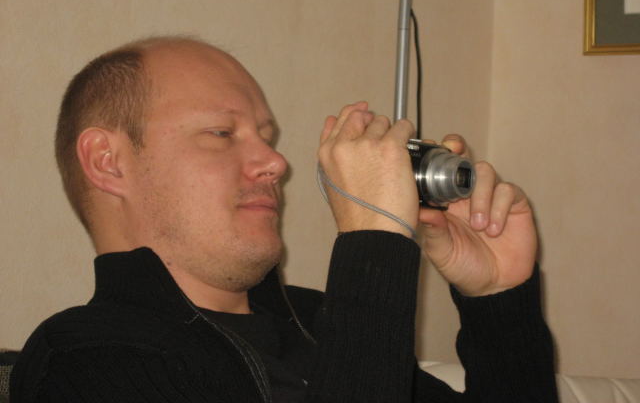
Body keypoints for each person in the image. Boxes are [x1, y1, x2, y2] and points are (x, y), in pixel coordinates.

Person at [10, 36, 558, 402]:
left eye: (267, 138)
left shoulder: (317, 322)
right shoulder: (85, 359)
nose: (275, 162)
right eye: (221, 133)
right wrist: (374, 246)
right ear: (108, 161)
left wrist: (498, 301)